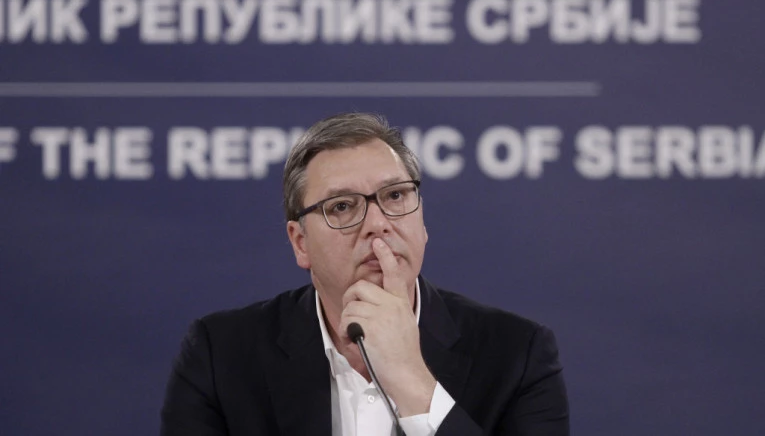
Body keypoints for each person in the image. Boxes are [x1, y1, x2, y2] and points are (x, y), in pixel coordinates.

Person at [160, 112, 569, 436]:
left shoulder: (517, 355)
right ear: (300, 242)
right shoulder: (222, 356)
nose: (377, 223)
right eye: (342, 206)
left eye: (395, 195)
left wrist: (412, 380)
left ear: (422, 221)